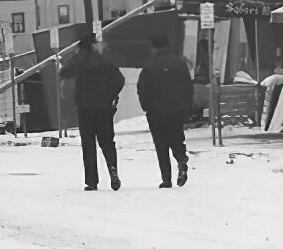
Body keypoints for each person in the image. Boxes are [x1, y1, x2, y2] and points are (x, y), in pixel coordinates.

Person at [60, 34, 125, 191]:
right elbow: (120, 80)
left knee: (88, 145)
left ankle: (91, 181)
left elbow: (63, 72)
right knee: (107, 142)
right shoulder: (105, 59)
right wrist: (111, 95)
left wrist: (75, 56)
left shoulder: (80, 60)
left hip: (85, 108)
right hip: (104, 107)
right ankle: (112, 169)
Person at [137, 35, 194, 188]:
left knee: (161, 144)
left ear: (154, 47)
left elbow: (142, 87)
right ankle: (181, 159)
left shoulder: (150, 64)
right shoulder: (180, 63)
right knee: (176, 137)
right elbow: (188, 86)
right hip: (177, 108)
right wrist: (186, 106)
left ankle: (166, 179)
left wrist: (146, 106)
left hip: (156, 110)